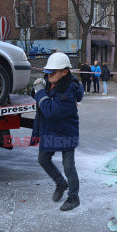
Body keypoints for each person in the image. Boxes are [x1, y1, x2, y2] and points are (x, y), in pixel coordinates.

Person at [31, 52, 84, 211]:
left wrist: (40, 91)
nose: (49, 76)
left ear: (65, 72)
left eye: (53, 72)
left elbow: (50, 111)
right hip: (51, 131)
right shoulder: (50, 81)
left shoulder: (69, 91)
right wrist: (36, 89)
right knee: (43, 159)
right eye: (47, 72)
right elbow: (38, 98)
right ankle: (61, 183)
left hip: (66, 133)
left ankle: (74, 198)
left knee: (68, 166)